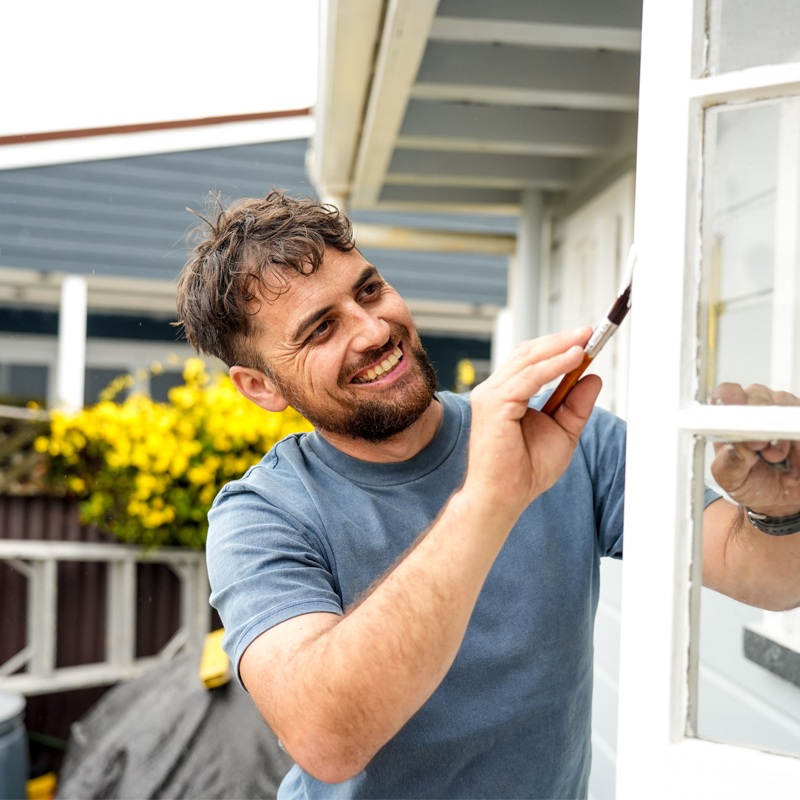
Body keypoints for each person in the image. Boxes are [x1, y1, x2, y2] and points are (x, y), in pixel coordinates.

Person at [176, 191, 800, 800]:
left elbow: (769, 579)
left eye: (369, 290)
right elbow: (327, 739)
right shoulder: (262, 515)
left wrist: (779, 509)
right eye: (320, 329)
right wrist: (488, 498)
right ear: (260, 385)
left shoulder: (564, 433)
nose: (372, 330)